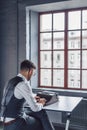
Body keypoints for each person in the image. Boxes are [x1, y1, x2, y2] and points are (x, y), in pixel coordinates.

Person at [0, 60, 55, 130]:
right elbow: (34, 108)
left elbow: (14, 100)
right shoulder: (24, 84)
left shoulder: (10, 81)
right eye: (33, 74)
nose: (32, 76)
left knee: (38, 113)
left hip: (3, 122)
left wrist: (32, 98)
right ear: (30, 71)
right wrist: (42, 103)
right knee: (41, 115)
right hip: (15, 123)